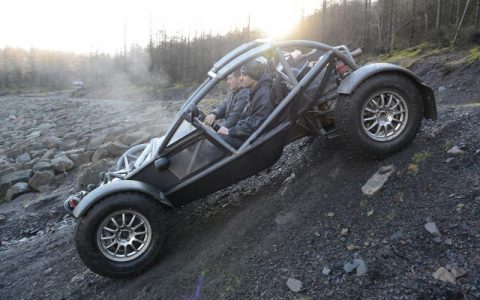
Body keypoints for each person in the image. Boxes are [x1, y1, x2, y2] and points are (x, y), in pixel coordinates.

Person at [217, 59, 274, 148]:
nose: (241, 78)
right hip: (251, 137)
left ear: (254, 76)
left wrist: (230, 131)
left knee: (217, 140)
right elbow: (247, 117)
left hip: (256, 144)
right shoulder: (256, 90)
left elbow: (255, 124)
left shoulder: (263, 94)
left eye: (244, 75)